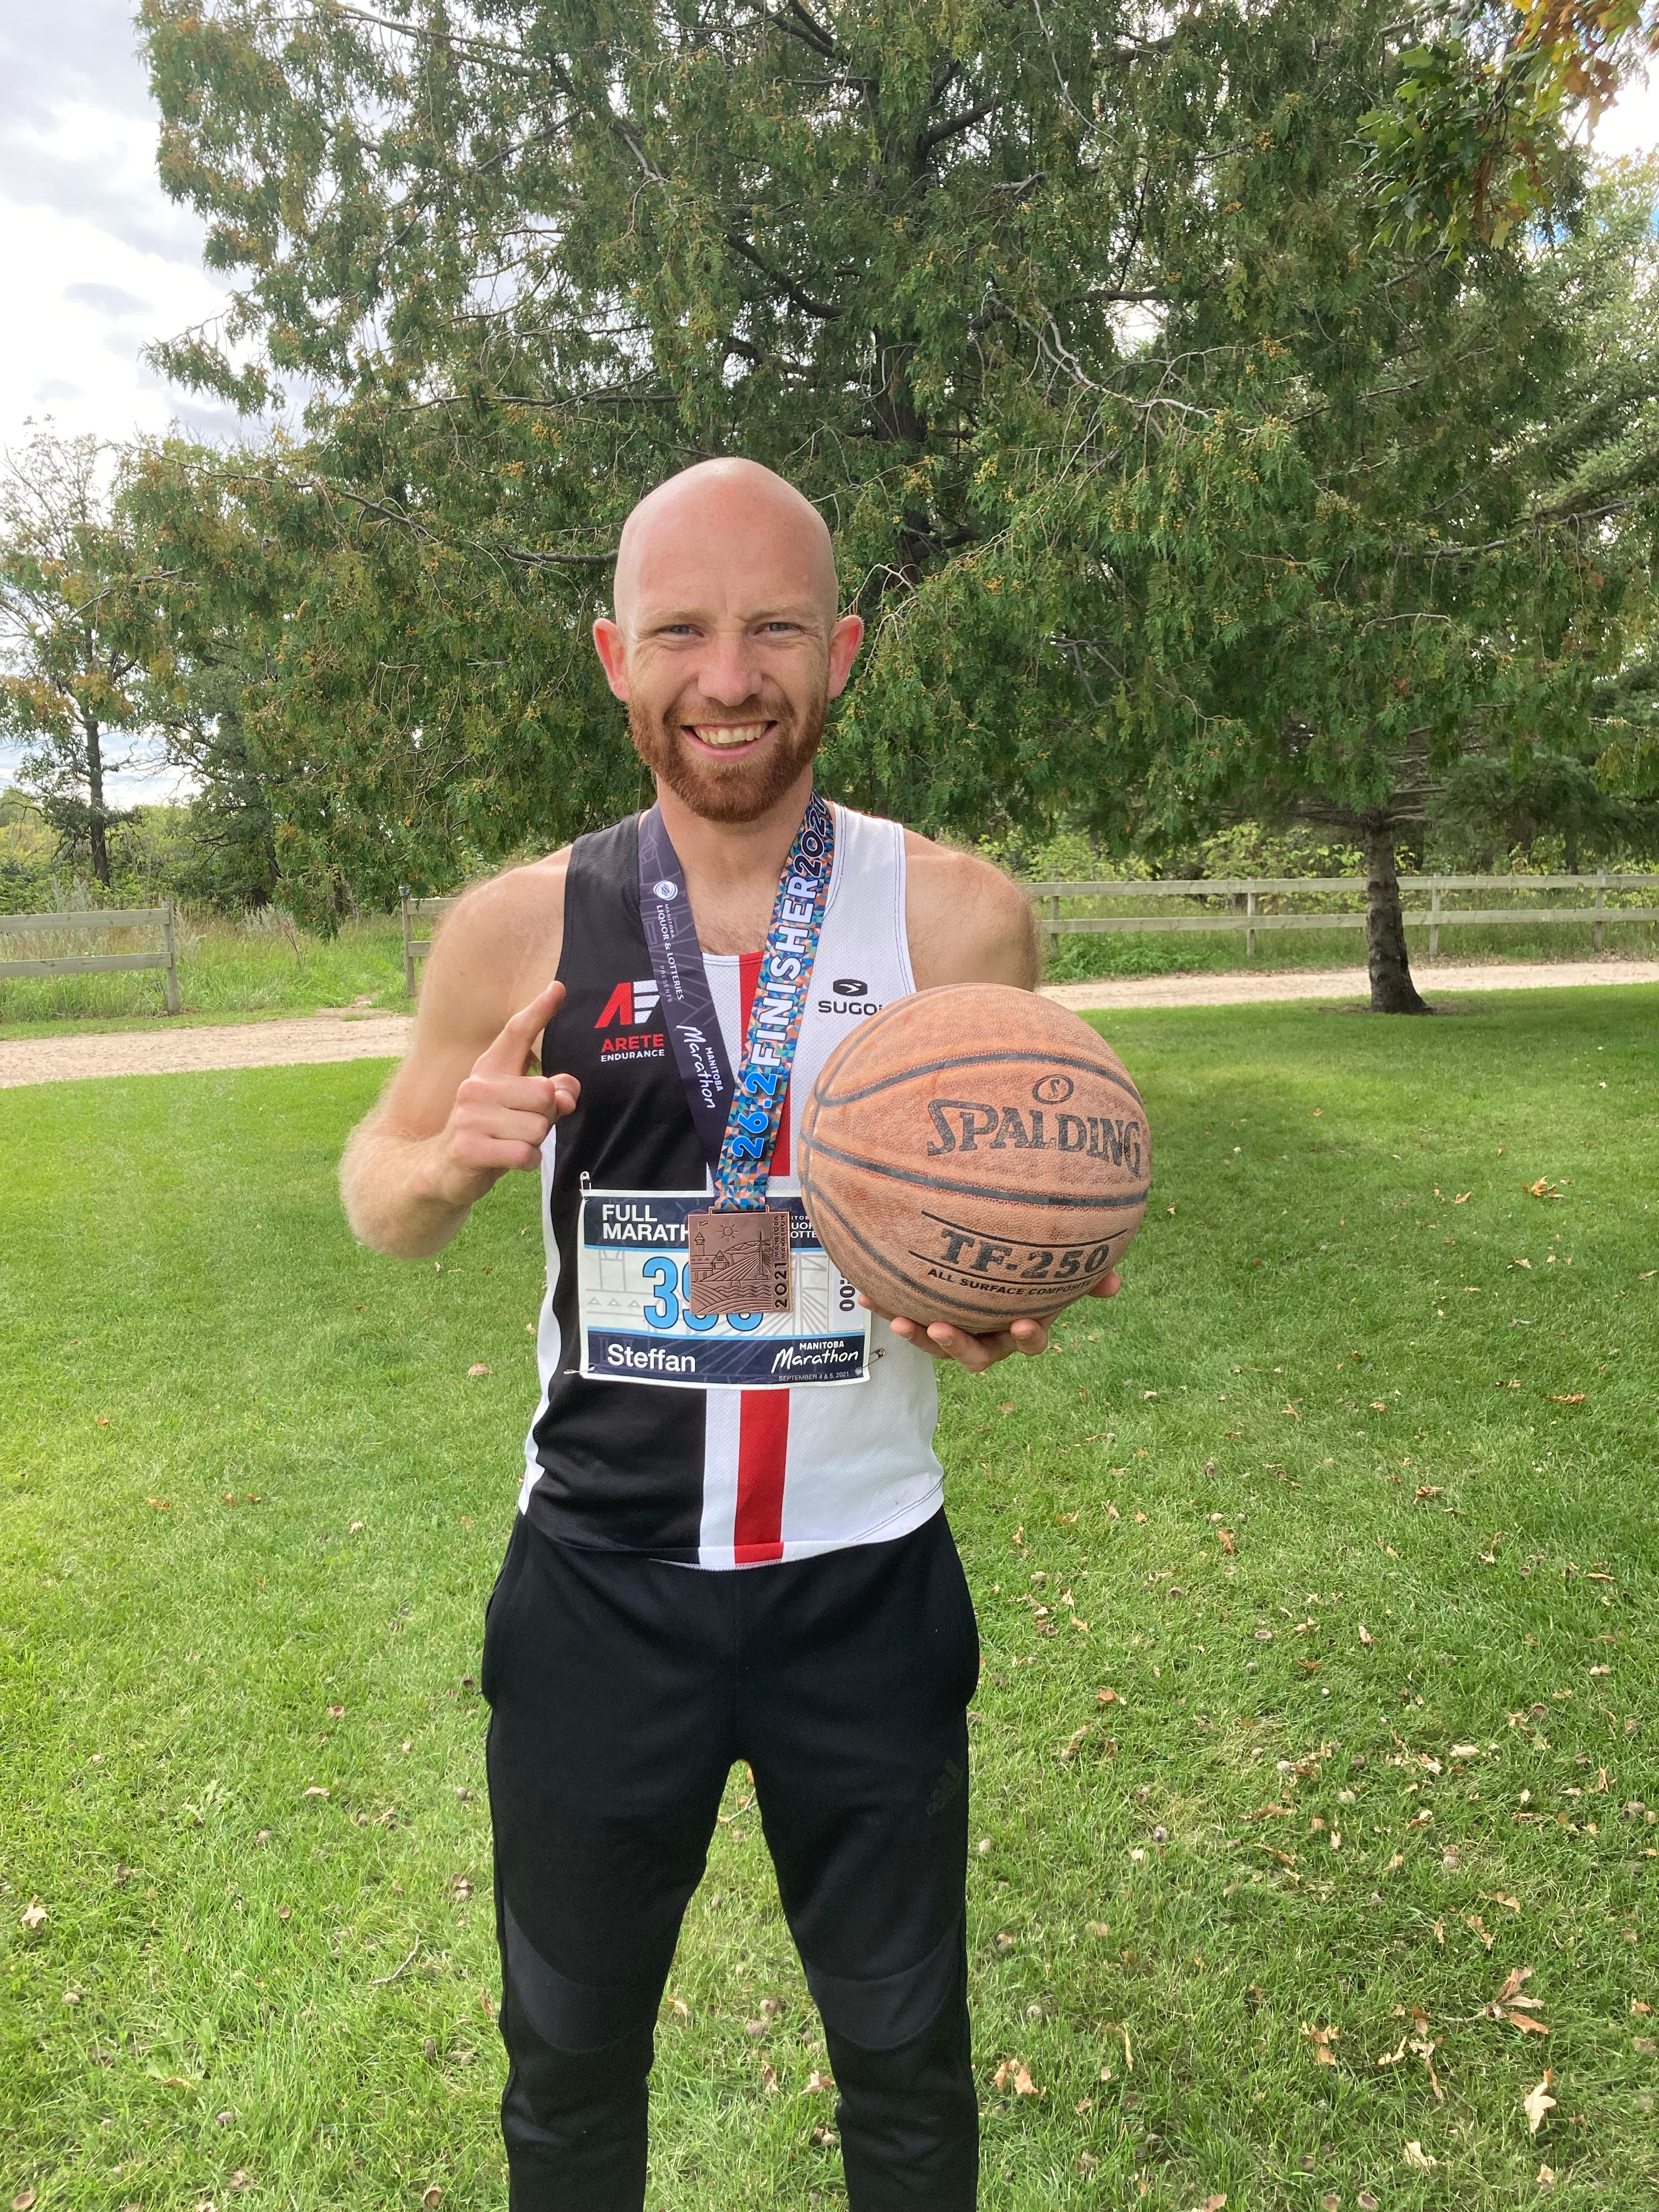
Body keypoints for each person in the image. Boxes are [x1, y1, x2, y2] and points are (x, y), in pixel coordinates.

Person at [339, 457, 1121, 2210]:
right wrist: (445, 1164)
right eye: (681, 631)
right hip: (600, 1592)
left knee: (909, 2064)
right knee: (567, 2066)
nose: (728, 676)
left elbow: (1008, 1207)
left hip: (867, 1589)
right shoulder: (515, 927)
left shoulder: (960, 920)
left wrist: (1009, 1302)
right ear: (612, 656)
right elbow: (377, 1191)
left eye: (775, 627)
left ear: (840, 651)